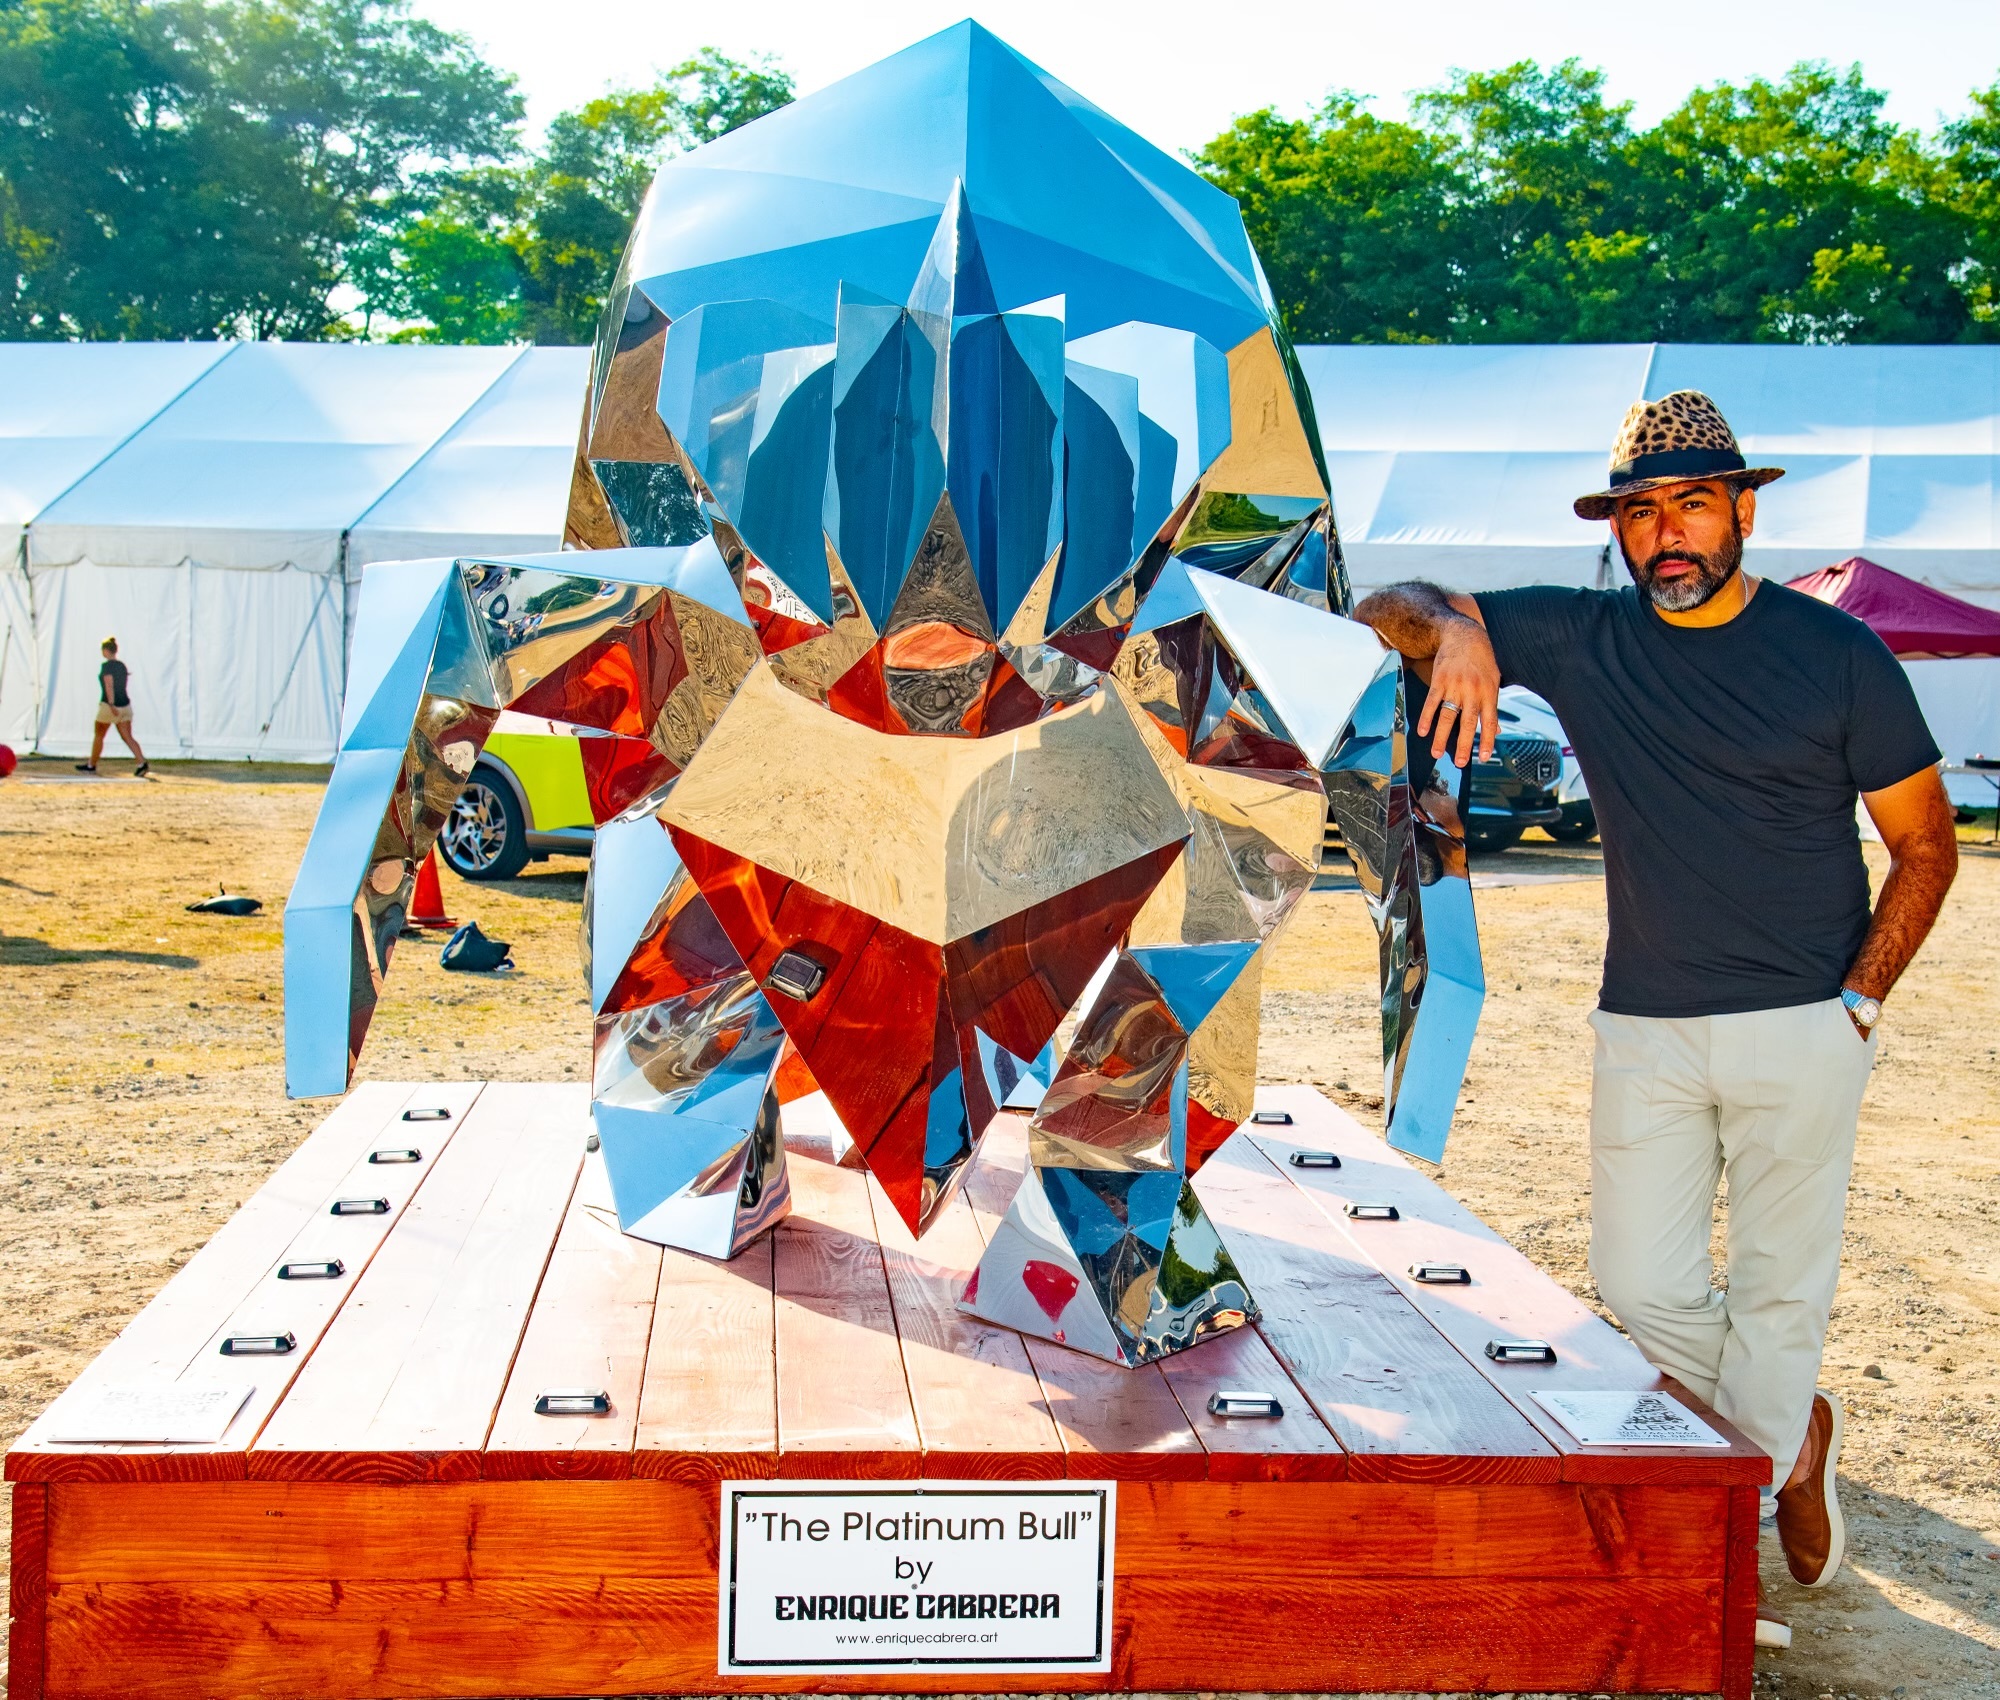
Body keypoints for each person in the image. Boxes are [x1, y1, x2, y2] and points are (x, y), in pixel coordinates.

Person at [1353, 390, 1957, 1647]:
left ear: (1743, 507)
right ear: (1618, 532)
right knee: (1637, 1277)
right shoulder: (1580, 638)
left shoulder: (1837, 655)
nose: (1665, 533)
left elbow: (1923, 846)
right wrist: (1458, 627)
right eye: (1639, 513)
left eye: (1690, 503)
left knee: (1778, 1295)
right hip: (1645, 1019)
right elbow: (1381, 603)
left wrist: (1859, 998)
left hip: (1805, 1016)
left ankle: (1717, 1550)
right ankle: (1796, 1435)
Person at [77, 636, 148, 777]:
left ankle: (91, 764)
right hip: (125, 704)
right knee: (128, 737)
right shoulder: (122, 666)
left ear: (105, 651)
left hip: (110, 706)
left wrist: (111, 704)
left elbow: (109, 685)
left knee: (99, 735)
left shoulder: (107, 666)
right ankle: (141, 762)